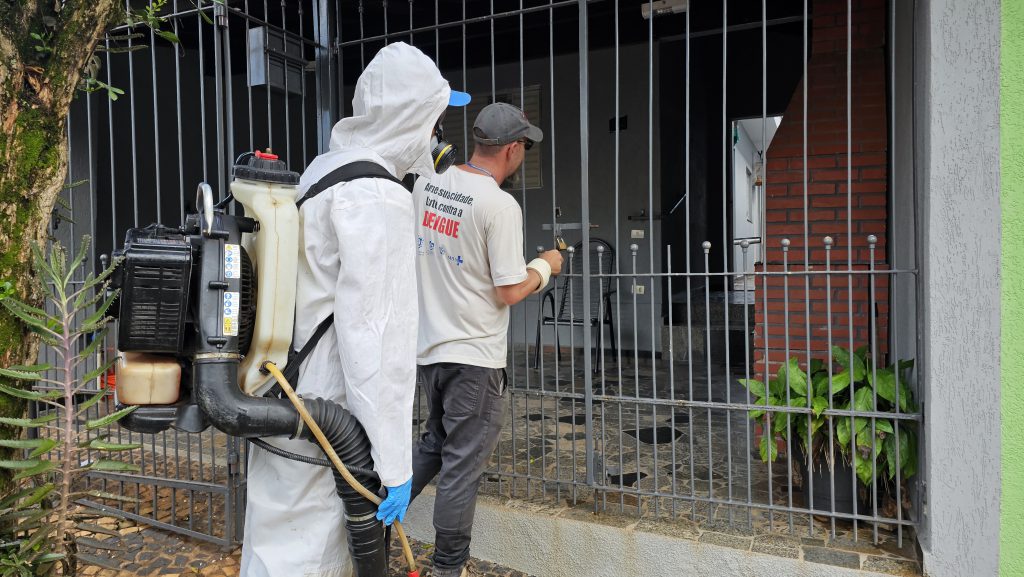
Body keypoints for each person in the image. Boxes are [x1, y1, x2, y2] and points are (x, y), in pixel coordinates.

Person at [240, 42, 471, 577]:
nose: (438, 135)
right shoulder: (378, 195)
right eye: (435, 120)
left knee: (273, 542)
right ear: (411, 119)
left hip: (286, 395)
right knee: (313, 557)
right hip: (331, 417)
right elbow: (375, 342)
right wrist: (393, 464)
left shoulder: (323, 173)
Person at [410, 102, 563, 577]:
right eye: (525, 146)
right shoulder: (499, 206)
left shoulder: (428, 186)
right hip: (474, 359)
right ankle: (448, 567)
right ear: (513, 149)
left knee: (436, 443)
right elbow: (509, 290)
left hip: (430, 351)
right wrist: (546, 266)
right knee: (462, 466)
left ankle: (369, 518)